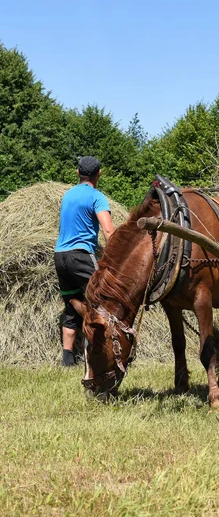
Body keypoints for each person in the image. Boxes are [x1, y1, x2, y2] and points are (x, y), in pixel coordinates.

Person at [54, 156, 115, 366]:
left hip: (60, 255)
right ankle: (101, 353)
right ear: (99, 174)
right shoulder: (97, 197)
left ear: (78, 173)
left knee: (72, 305)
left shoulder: (68, 195)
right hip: (81, 254)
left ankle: (67, 359)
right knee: (101, 301)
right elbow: (108, 230)